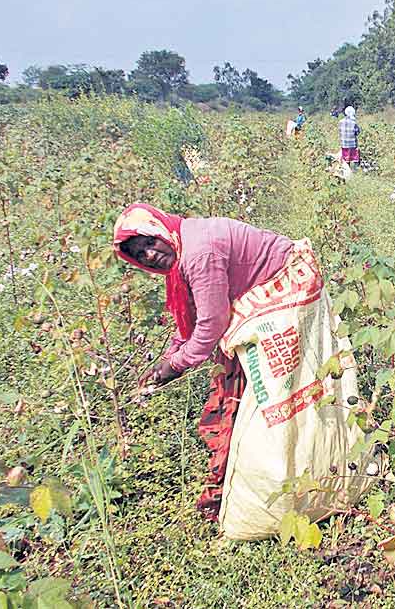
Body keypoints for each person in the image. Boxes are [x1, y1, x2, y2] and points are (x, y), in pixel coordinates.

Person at [113, 203, 293, 519]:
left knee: (269, 393)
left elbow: (211, 324)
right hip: (259, 298)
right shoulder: (182, 249)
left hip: (285, 288)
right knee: (240, 389)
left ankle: (259, 477)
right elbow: (192, 319)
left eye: (150, 243)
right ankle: (250, 473)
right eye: (141, 254)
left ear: (160, 230)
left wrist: (173, 367)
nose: (150, 255)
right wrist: (168, 359)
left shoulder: (198, 254)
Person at [338, 106, 361, 171]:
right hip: (353, 144)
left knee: (346, 159)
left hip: (344, 144)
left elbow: (340, 132)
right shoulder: (354, 123)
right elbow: (357, 132)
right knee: (355, 158)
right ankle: (355, 170)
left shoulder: (340, 122)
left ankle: (346, 170)